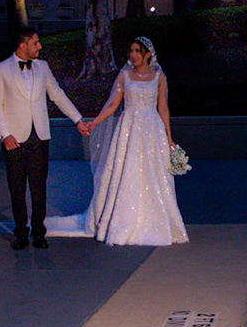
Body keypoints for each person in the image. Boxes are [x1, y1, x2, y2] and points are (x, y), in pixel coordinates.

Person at [65, 36, 188, 246]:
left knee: (154, 172)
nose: (133, 55)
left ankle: (156, 221)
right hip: (129, 128)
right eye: (131, 51)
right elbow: (113, 104)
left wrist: (169, 138)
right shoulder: (124, 76)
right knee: (126, 170)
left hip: (152, 130)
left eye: (137, 51)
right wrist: (94, 123)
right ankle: (123, 221)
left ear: (147, 54)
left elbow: (163, 108)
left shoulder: (159, 77)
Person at [0, 28, 87, 250]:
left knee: (39, 187)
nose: (40, 46)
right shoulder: (0, 69)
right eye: (35, 43)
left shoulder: (42, 67)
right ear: (22, 45)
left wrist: (78, 120)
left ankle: (39, 232)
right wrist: (5, 134)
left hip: (39, 136)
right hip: (14, 138)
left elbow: (57, 95)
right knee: (17, 188)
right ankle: (21, 233)